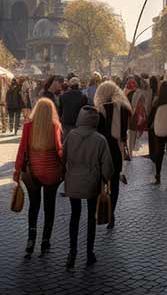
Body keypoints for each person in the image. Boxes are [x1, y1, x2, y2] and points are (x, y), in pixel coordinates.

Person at [62, 106, 114, 269]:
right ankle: (89, 253)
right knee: (91, 217)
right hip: (92, 183)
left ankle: (72, 253)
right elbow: (108, 168)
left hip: (73, 182)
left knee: (74, 216)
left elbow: (63, 158)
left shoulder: (71, 136)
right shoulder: (100, 140)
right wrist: (106, 179)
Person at [13, 98, 62, 257]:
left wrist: (17, 171)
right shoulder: (55, 127)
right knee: (49, 208)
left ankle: (31, 239)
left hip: (32, 172)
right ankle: (45, 241)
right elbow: (59, 150)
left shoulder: (28, 126)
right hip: (51, 172)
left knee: (34, 205)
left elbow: (22, 150)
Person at [93, 81, 129, 229]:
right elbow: (124, 133)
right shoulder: (124, 109)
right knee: (115, 183)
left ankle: (100, 208)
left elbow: (97, 133)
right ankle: (111, 213)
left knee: (102, 180)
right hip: (117, 150)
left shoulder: (100, 110)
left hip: (103, 149)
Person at [127, 78, 149, 157]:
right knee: (135, 135)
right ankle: (132, 152)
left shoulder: (125, 92)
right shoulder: (138, 93)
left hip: (130, 117)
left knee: (131, 136)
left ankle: (130, 153)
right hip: (135, 117)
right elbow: (141, 106)